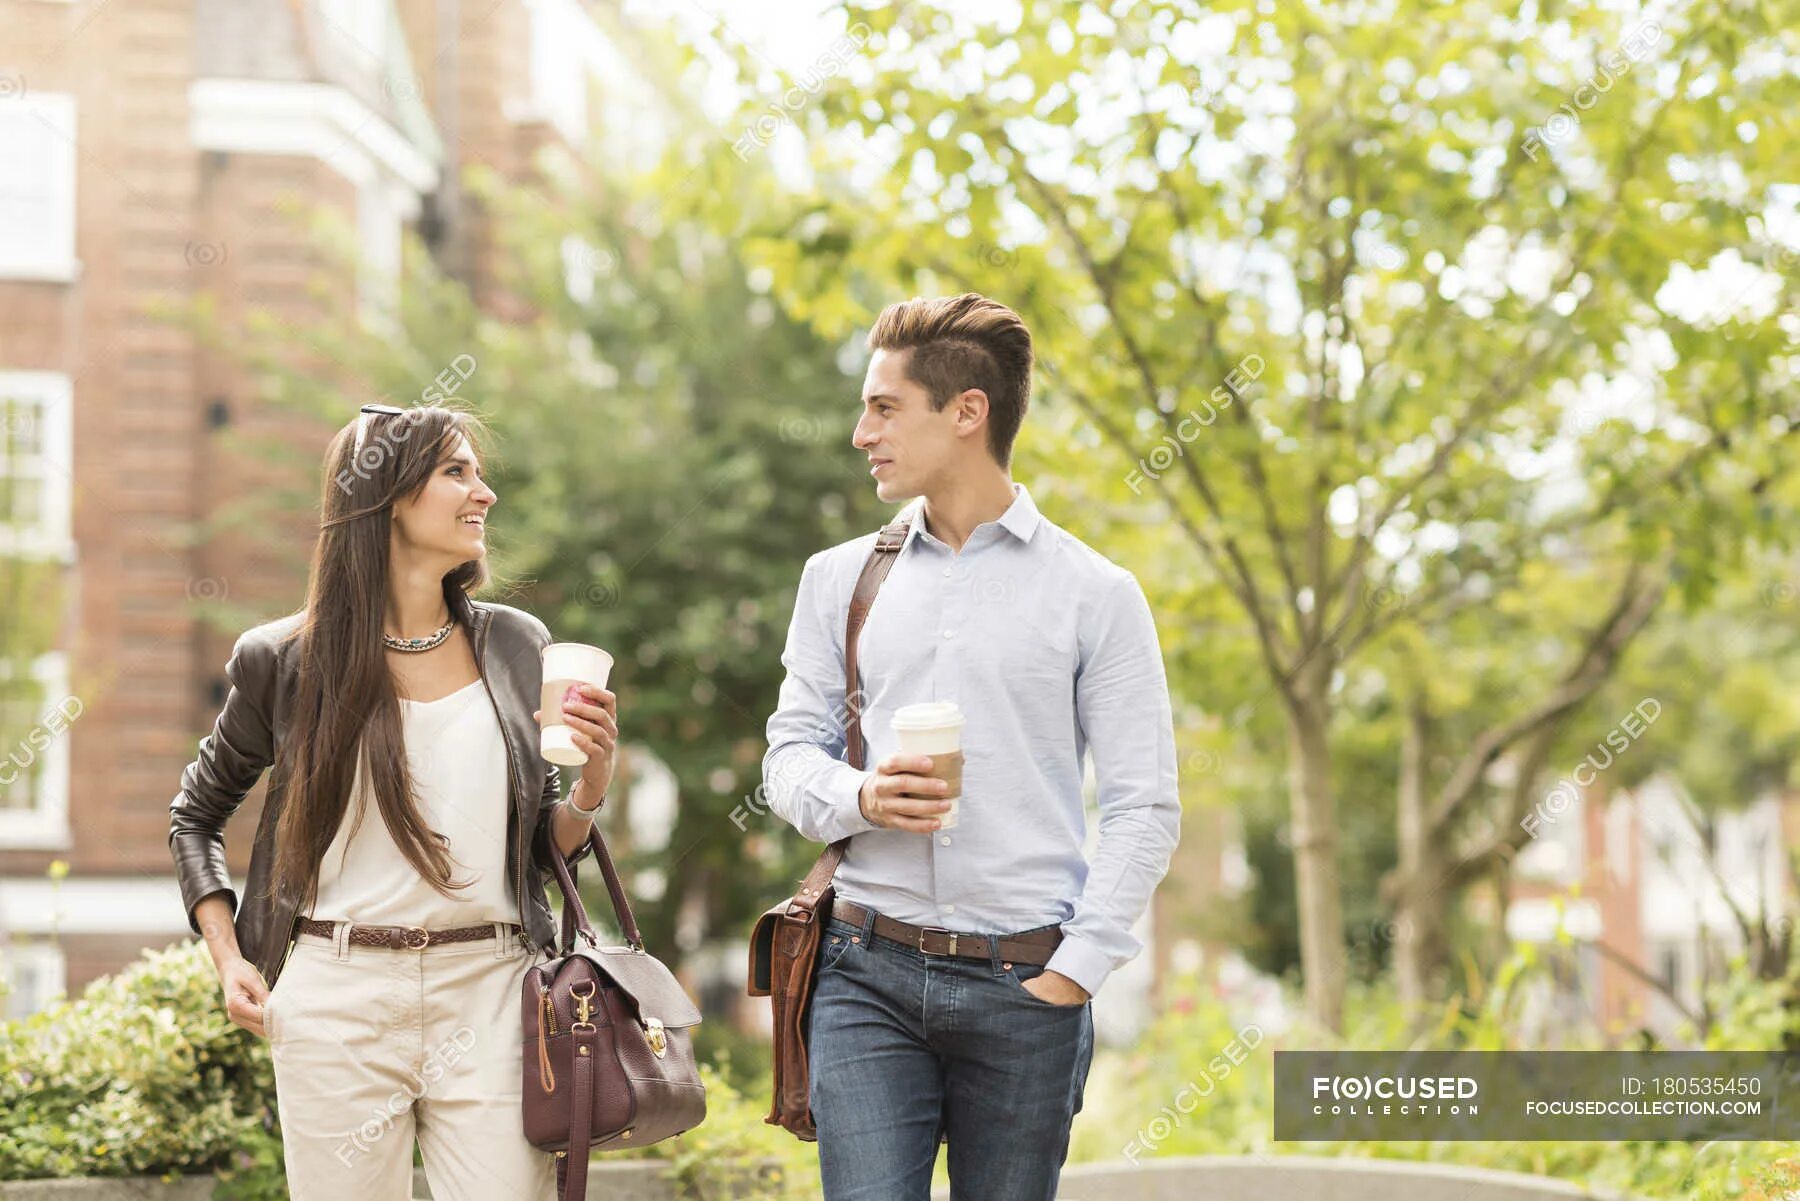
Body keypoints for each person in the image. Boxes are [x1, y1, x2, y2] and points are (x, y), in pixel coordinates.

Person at [762, 293, 1182, 1199]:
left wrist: (1076, 971)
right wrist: (862, 796)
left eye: (883, 407)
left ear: (966, 412)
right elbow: (788, 754)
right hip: (865, 970)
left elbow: (1143, 804)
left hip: (1027, 987)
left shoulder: (1095, 595)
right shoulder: (838, 579)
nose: (859, 432)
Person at [167, 404, 620, 1200]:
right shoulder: (284, 660)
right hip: (335, 995)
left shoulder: (518, 647)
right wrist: (229, 955)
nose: (484, 493)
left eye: (479, 473)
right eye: (457, 472)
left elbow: (545, 844)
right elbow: (196, 814)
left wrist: (591, 782)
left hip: (491, 987)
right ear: (387, 498)